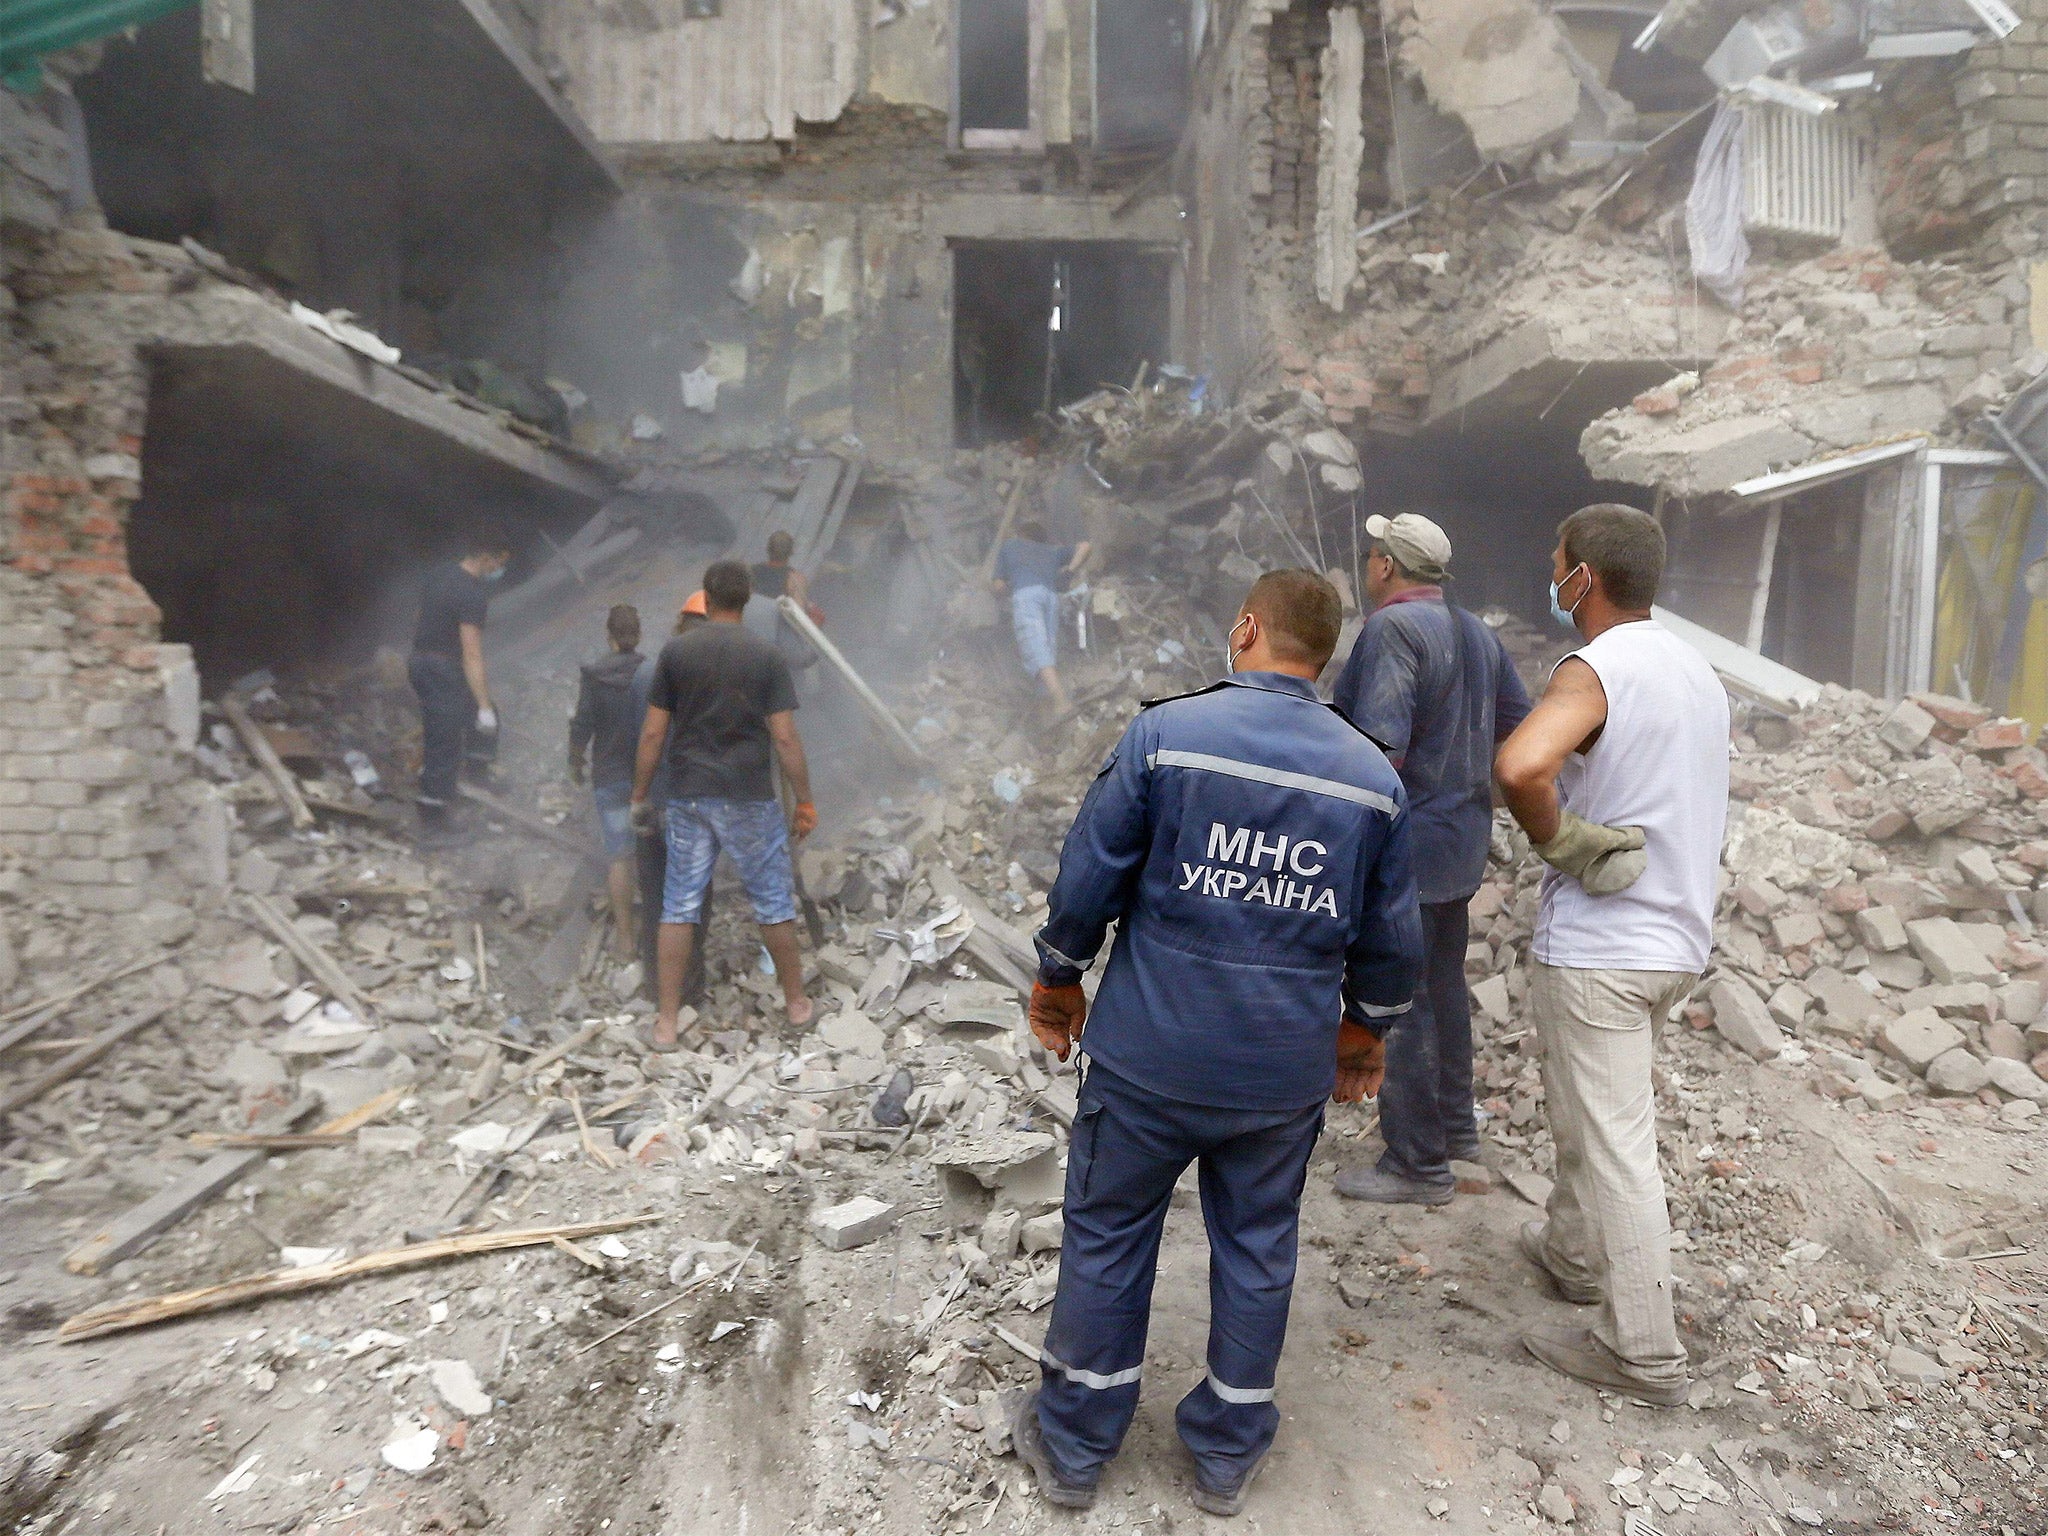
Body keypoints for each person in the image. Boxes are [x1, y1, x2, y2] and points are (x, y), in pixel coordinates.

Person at [1013, 570, 1422, 1517]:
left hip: (1150, 1055)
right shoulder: (1371, 779)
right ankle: (1226, 1453)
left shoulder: (1166, 736)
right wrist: (1365, 1034)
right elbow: (1392, 938)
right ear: (1321, 657)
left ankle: (1076, 1445)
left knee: (1110, 1232)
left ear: (1245, 628)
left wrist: (1057, 978)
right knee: (1257, 1245)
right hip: (1277, 1075)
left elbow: (1091, 873)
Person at [1493, 503, 1728, 1406]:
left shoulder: (1600, 667)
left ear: (1582, 578)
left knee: (1618, 1143)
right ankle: (1571, 1255)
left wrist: (1564, 843)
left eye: (1558, 564)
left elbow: (1521, 768)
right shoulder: (1697, 671)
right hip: (1675, 938)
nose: (1553, 577)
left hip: (1602, 947)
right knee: (1589, 1114)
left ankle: (1645, 1354)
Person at [1329, 513, 1532, 1205]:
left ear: (1386, 565)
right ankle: (1453, 1131)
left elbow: (1378, 751)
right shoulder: (1478, 633)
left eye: (1370, 555)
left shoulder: (1393, 630)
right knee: (1442, 985)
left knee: (1403, 996)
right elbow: (1521, 730)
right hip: (1460, 842)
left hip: (1407, 843)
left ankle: (1417, 1165)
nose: (1366, 565)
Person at [629, 560, 818, 1049]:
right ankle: (796, 1006)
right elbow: (786, 738)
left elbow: (653, 732)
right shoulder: (767, 655)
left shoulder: (676, 653)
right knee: (773, 903)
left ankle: (666, 1023)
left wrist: (638, 793)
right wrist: (805, 801)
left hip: (690, 796)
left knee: (679, 907)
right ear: (748, 599)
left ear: (706, 599)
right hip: (750, 796)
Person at [631, 602, 710, 1005]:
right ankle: (690, 991)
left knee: (655, 895)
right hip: (694, 803)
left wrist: (639, 795)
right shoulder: (715, 680)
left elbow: (641, 738)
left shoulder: (647, 671)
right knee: (694, 899)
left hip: (655, 802)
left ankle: (655, 985)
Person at [408, 531, 509, 837]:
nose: (500, 570)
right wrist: (482, 706)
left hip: (421, 662)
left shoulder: (440, 573)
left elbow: (418, 616)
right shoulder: (472, 594)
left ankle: (479, 772)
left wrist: (484, 706)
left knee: (485, 713)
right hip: (443, 668)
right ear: (485, 557)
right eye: (499, 563)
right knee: (444, 740)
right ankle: (433, 815)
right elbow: (472, 653)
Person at [569, 604, 646, 959]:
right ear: (638, 635)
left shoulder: (594, 677)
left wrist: (575, 762)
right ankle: (660, 933)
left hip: (610, 778)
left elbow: (582, 724)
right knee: (655, 850)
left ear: (609, 636)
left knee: (619, 855)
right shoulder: (651, 672)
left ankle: (626, 940)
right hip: (648, 778)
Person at [993, 517, 1090, 714]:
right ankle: (1047, 706)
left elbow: (998, 585)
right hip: (1050, 598)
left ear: (1021, 533)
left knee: (1036, 648)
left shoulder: (1010, 546)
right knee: (1047, 648)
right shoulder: (1051, 551)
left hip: (1027, 596)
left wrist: (1002, 590)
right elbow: (1086, 546)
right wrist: (1069, 571)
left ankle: (1061, 701)